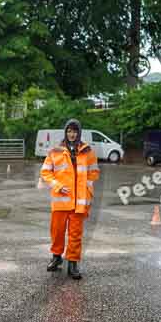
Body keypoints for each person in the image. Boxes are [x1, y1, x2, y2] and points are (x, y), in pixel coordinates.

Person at [40, 118, 99, 279]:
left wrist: (86, 187)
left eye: (74, 131)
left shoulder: (87, 151)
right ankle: (56, 257)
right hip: (61, 200)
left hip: (79, 202)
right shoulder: (55, 151)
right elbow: (45, 172)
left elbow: (94, 172)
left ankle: (73, 263)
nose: (72, 134)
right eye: (69, 131)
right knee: (57, 232)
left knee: (75, 234)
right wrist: (57, 185)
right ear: (65, 132)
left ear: (79, 133)